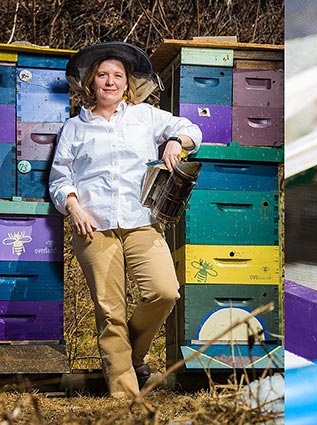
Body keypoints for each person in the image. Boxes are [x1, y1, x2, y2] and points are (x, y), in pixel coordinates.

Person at [49, 42, 203, 398]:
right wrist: (73, 206)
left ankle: (130, 355)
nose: (110, 81)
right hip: (93, 227)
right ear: (91, 81)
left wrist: (176, 142)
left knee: (164, 291)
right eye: (102, 74)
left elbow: (191, 127)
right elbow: (60, 179)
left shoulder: (145, 116)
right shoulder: (74, 128)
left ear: (127, 82)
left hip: (141, 221)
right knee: (110, 310)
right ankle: (126, 397)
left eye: (117, 75)